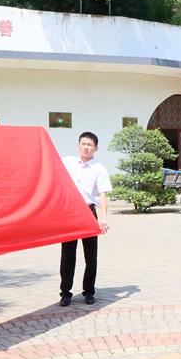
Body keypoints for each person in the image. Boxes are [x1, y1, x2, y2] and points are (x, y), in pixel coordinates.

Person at [60, 131, 111, 307]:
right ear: (78, 146)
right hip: (70, 213)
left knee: (91, 255)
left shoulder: (99, 168)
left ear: (96, 148)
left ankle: (89, 291)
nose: (86, 147)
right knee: (68, 254)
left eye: (90, 145)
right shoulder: (68, 162)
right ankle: (65, 293)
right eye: (83, 144)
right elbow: (48, 157)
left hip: (89, 212)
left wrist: (103, 218)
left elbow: (103, 194)